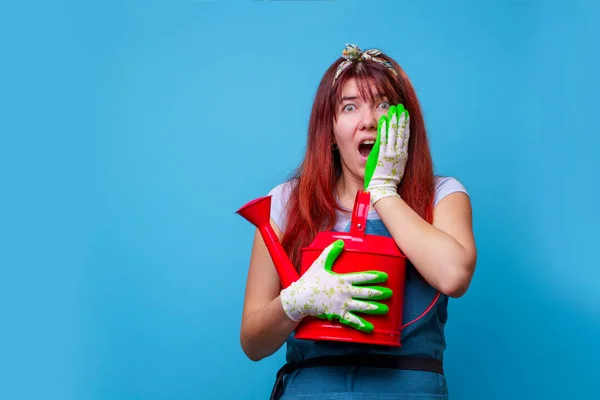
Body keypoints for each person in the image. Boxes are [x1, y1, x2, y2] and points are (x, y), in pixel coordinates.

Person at [240, 43, 477, 400]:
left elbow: (454, 276)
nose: (368, 120)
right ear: (331, 130)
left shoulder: (443, 194)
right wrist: (295, 303)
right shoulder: (287, 203)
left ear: (405, 123)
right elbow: (253, 343)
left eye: (383, 104)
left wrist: (383, 191)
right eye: (349, 107)